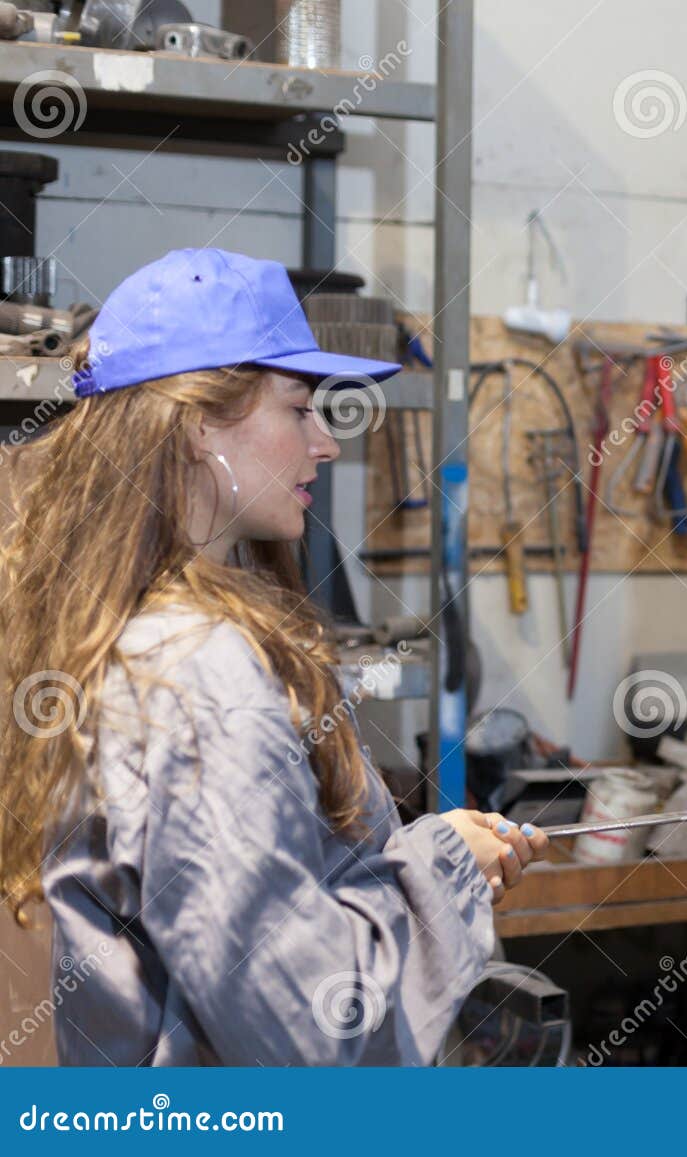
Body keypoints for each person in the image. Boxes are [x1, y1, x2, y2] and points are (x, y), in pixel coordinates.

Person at [0, 248, 547, 1065]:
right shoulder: (196, 671)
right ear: (196, 424)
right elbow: (306, 1027)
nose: (326, 443)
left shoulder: (102, 626)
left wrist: (403, 858)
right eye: (298, 409)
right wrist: (443, 872)